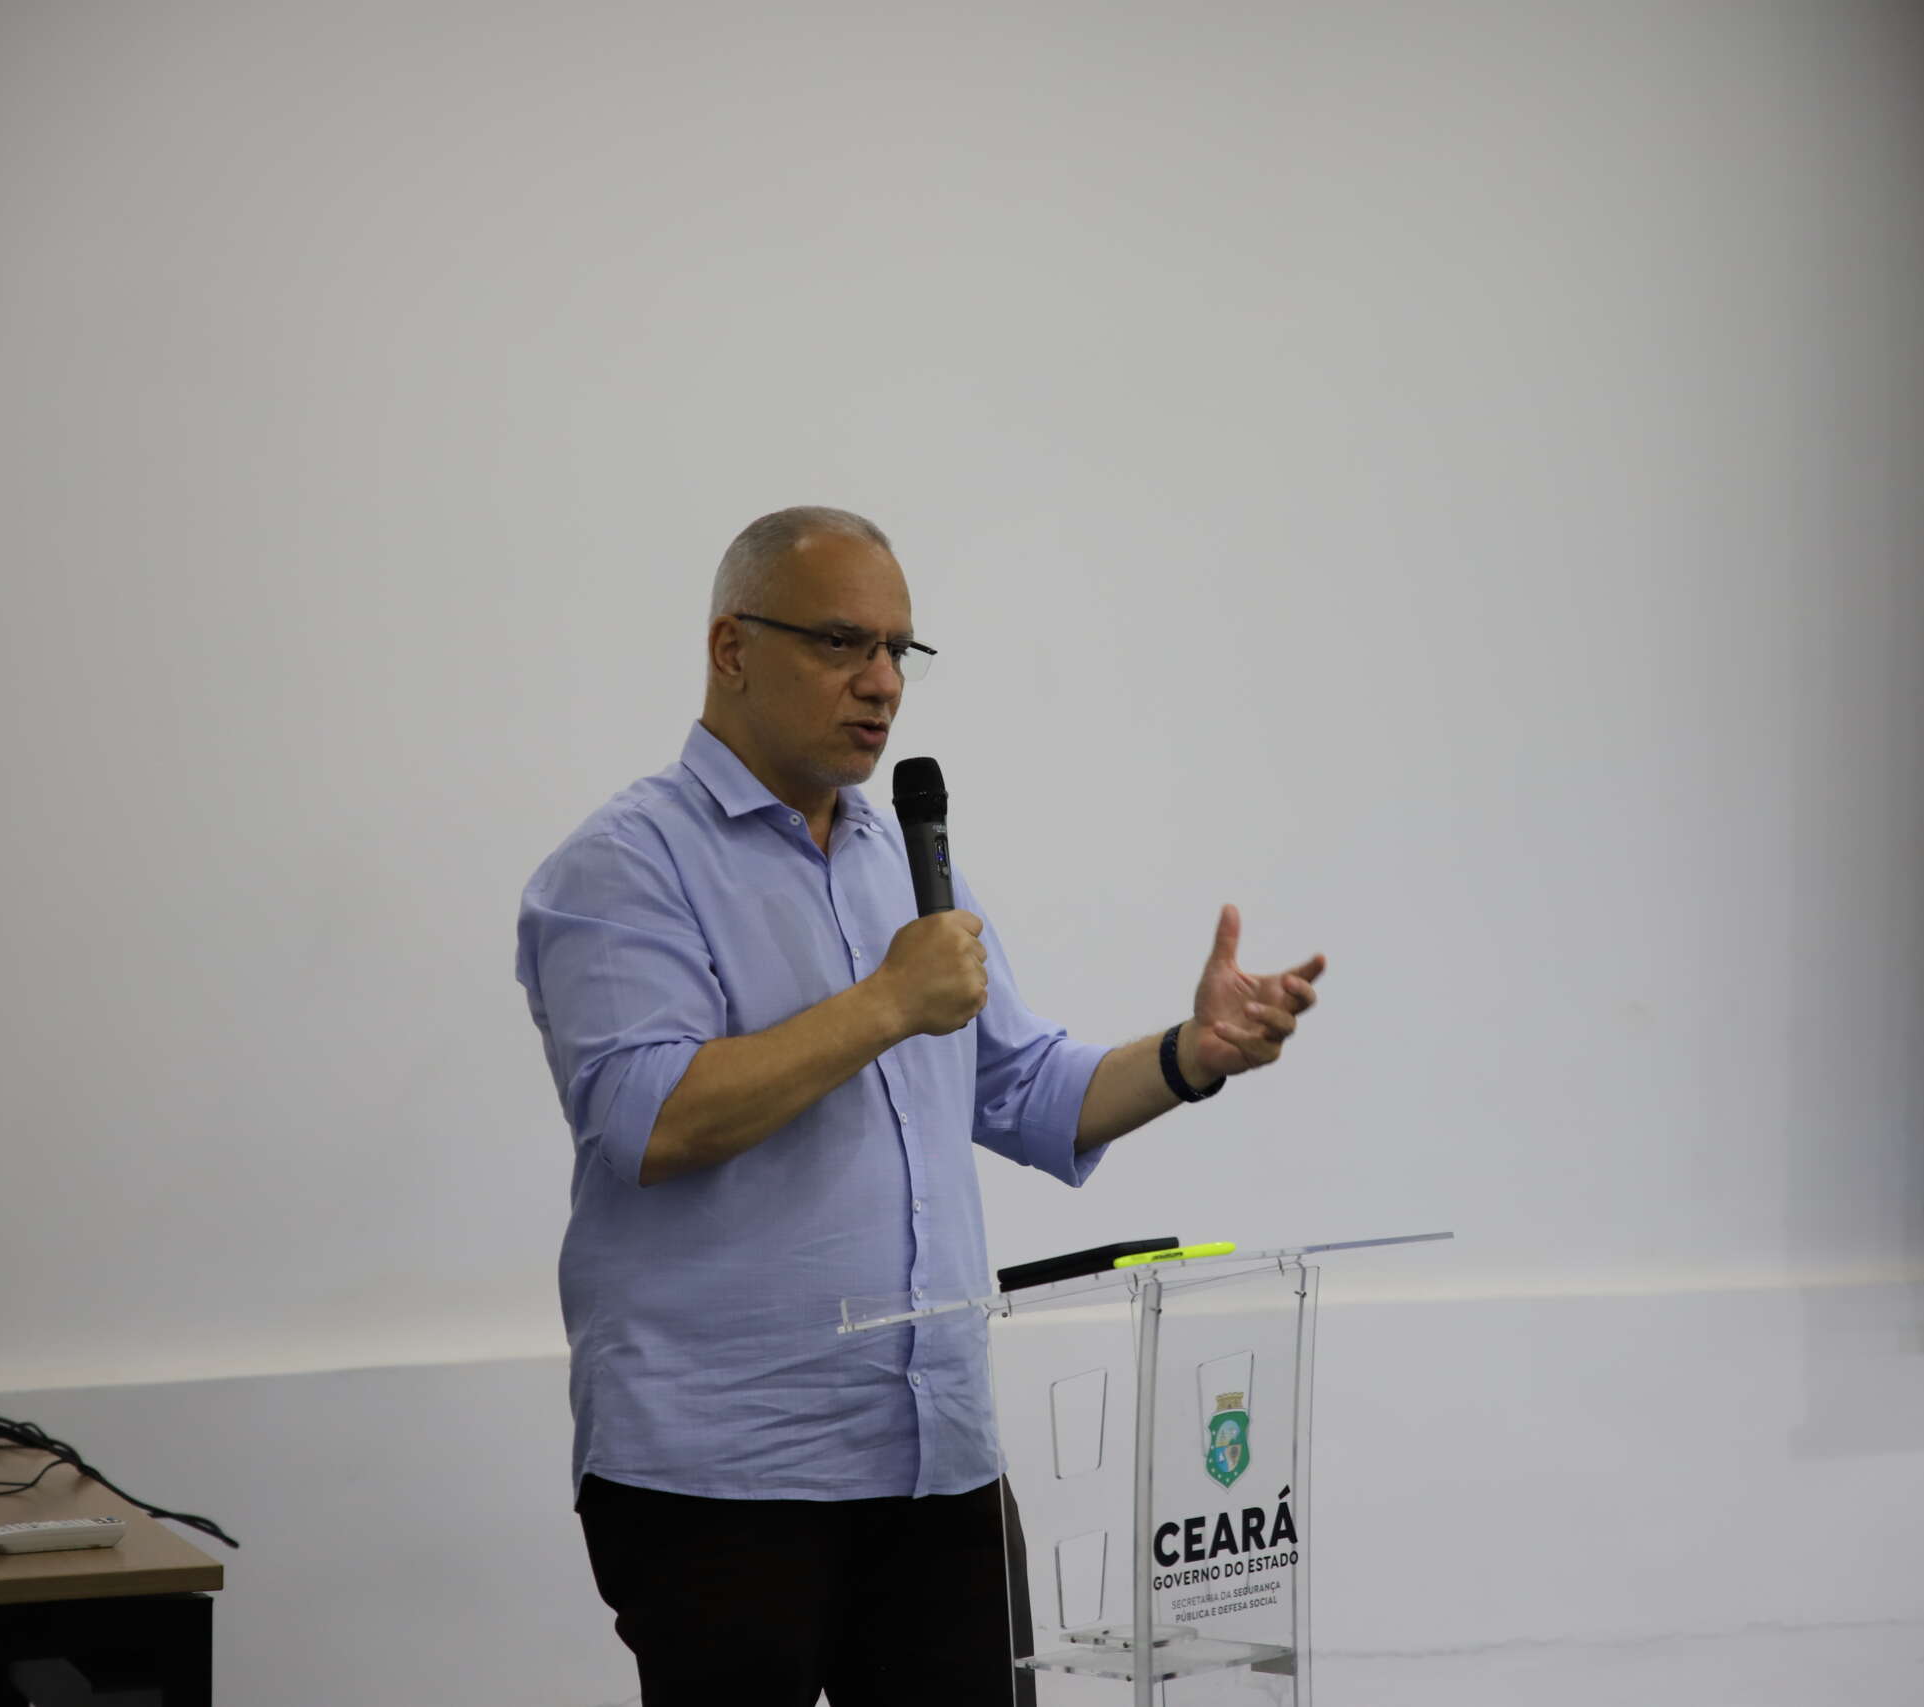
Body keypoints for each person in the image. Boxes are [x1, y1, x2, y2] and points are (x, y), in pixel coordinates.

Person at [515, 505, 1325, 1705]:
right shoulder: (624, 866)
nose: (883, 682)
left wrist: (1190, 1055)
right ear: (731, 648)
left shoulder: (902, 860)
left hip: (935, 1460)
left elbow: (1025, 1089)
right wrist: (888, 1001)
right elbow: (652, 1119)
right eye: (841, 642)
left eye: (899, 650)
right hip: (723, 1474)